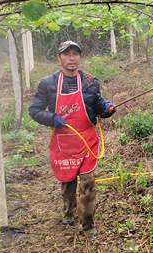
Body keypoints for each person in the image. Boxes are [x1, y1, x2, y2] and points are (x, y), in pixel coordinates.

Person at [29, 40, 115, 235]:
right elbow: (34, 110)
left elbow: (99, 106)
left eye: (75, 54)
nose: (71, 58)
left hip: (87, 141)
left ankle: (88, 224)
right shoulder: (48, 84)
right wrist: (52, 118)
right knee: (68, 183)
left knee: (88, 183)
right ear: (59, 58)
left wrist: (108, 108)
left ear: (79, 57)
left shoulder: (90, 82)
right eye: (66, 54)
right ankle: (69, 212)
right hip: (63, 142)